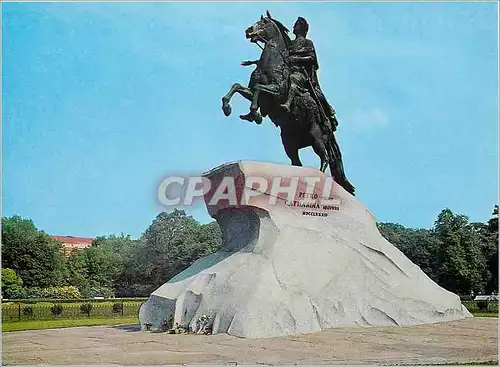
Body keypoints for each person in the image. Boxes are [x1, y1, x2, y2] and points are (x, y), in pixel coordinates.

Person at [281, 17, 338, 132]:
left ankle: (329, 113)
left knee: (316, 93)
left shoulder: (307, 43)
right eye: (294, 24)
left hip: (302, 74)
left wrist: (295, 58)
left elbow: (312, 58)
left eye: (297, 24)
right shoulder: (290, 44)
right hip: (289, 70)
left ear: (303, 28)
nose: (294, 26)